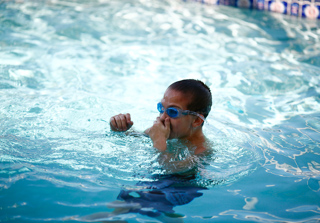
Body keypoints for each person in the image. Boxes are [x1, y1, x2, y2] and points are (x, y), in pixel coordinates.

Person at [109, 79, 212, 155]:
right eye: (161, 108)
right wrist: (119, 129)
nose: (163, 117)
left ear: (197, 120)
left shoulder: (201, 152)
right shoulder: (162, 131)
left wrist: (159, 142)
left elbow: (167, 170)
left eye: (172, 112)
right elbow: (135, 137)